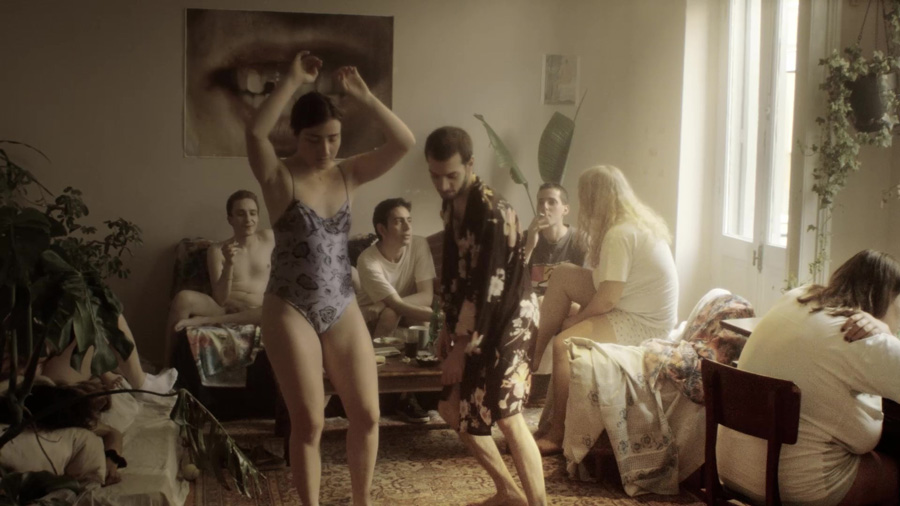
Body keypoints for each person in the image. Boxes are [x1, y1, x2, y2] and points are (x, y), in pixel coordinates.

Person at [246, 51, 414, 505]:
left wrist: (365, 96)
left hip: (341, 303)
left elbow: (404, 142)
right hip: (289, 306)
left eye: (334, 138)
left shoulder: (349, 173)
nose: (325, 150)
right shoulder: (278, 176)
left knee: (368, 415)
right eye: (314, 140)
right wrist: (292, 80)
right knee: (310, 423)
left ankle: (361, 502)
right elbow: (255, 133)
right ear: (296, 136)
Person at [717, 249, 900, 506]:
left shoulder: (796, 297)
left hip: (731, 467)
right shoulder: (861, 336)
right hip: (793, 487)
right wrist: (887, 333)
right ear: (887, 299)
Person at [426, 126, 546, 506]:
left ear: (471, 164)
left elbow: (487, 287)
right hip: (477, 321)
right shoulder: (452, 205)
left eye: (451, 175)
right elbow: (453, 271)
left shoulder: (492, 213)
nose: (443, 185)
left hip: (511, 316)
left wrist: (460, 348)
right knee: (452, 409)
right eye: (435, 176)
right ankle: (509, 492)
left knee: (508, 416)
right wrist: (447, 326)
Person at [531, 165, 679, 455]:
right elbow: (609, 289)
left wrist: (575, 320)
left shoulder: (620, 234)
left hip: (642, 322)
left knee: (564, 343)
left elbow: (608, 300)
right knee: (562, 274)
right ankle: (534, 357)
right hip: (630, 303)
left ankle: (558, 432)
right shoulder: (630, 225)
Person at [165, 190, 275, 362]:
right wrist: (229, 264)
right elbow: (220, 299)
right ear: (230, 219)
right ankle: (168, 366)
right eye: (241, 214)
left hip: (259, 310)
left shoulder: (270, 238)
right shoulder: (217, 250)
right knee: (182, 298)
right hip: (226, 307)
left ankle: (206, 321)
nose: (248, 219)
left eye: (253, 213)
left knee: (276, 309)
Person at [356, 197, 436, 424]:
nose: (408, 227)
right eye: (399, 222)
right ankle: (373, 391)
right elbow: (398, 307)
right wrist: (442, 318)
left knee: (419, 319)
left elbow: (426, 296)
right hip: (369, 318)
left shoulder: (419, 245)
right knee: (392, 313)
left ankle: (406, 397)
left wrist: (386, 302)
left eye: (409, 220)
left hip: (396, 309)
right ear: (382, 229)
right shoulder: (368, 259)